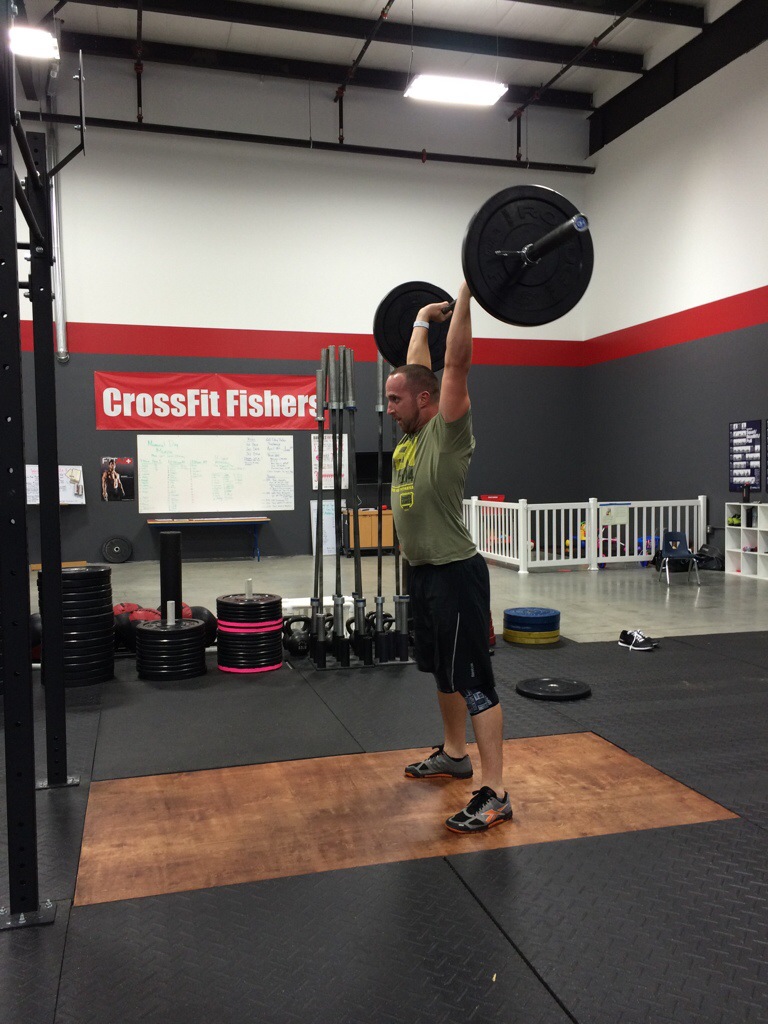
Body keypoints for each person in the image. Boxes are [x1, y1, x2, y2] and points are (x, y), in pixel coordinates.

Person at [386, 281, 512, 834]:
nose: (388, 408)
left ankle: (496, 792)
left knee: (474, 679)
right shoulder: (411, 433)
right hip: (423, 574)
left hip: (457, 574)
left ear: (423, 401)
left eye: (395, 400)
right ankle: (455, 755)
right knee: (443, 671)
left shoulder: (447, 431)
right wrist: (420, 319)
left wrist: (467, 291)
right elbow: (417, 371)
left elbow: (454, 365)